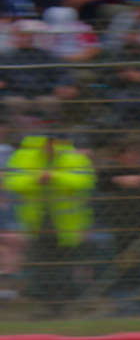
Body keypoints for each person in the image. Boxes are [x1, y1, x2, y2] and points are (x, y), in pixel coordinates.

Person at [4, 122, 95, 312]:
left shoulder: (73, 157)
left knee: (63, 265)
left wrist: (54, 177)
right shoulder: (24, 156)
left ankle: (62, 305)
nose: (50, 146)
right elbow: (12, 182)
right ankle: (48, 305)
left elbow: (85, 180)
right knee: (43, 264)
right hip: (37, 221)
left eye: (53, 142)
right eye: (46, 142)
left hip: (67, 224)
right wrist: (36, 179)